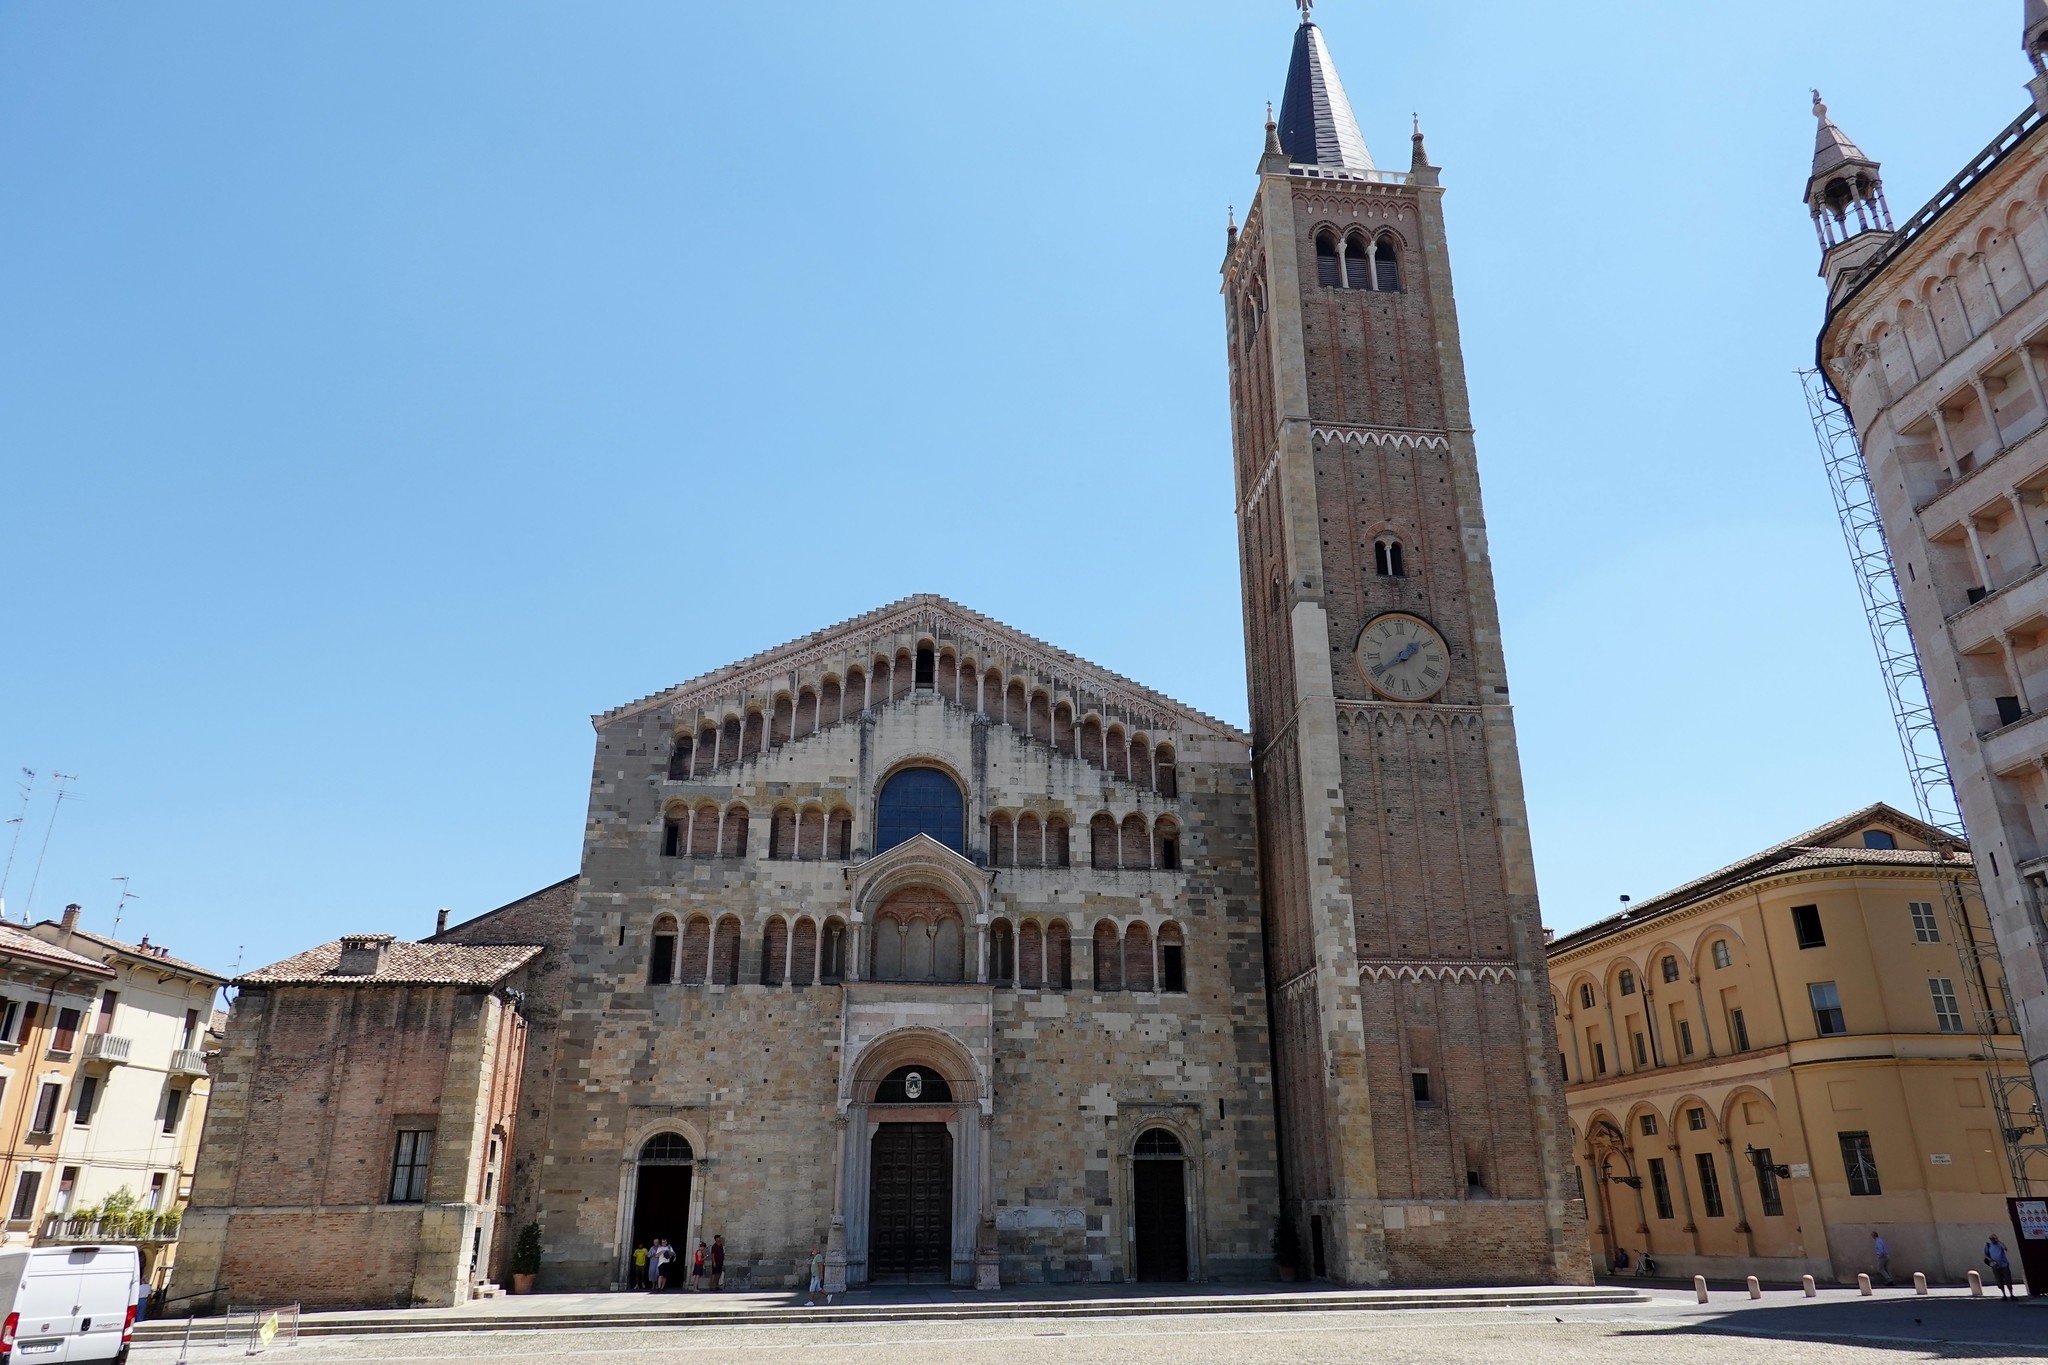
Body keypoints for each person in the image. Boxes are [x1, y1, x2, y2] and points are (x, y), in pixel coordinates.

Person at [1986, 1234, 2015, 1299]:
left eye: (1994, 1238)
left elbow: (2005, 1248)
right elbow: (1986, 1255)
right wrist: (1991, 1260)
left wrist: (1998, 1241)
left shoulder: (2000, 1244)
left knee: (2008, 1279)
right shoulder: (1988, 1245)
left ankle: (2011, 1294)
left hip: (2004, 1264)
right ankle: (2004, 1295)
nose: (1993, 1240)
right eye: (1991, 1239)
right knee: (1999, 1280)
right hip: (1995, 1265)